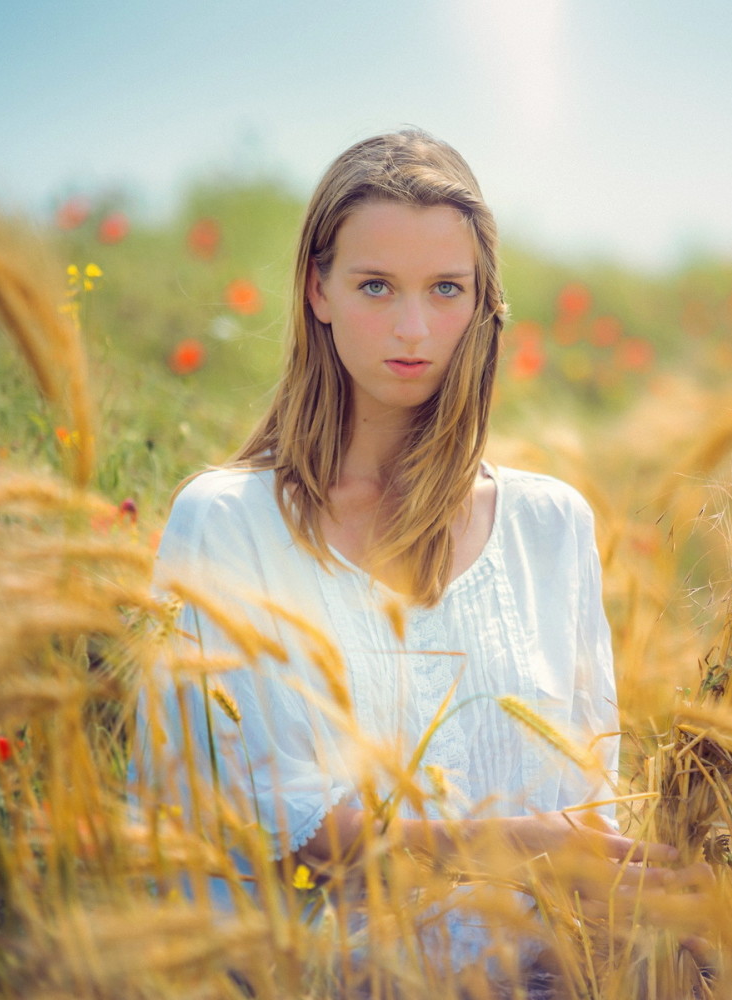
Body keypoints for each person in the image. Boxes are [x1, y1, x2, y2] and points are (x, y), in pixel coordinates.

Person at [134, 128, 699, 984]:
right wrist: (512, 848)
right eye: (375, 286)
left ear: (483, 301)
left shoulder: (551, 528)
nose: (413, 328)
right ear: (318, 291)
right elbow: (236, 821)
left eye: (445, 289)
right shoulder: (227, 523)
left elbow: (587, 810)